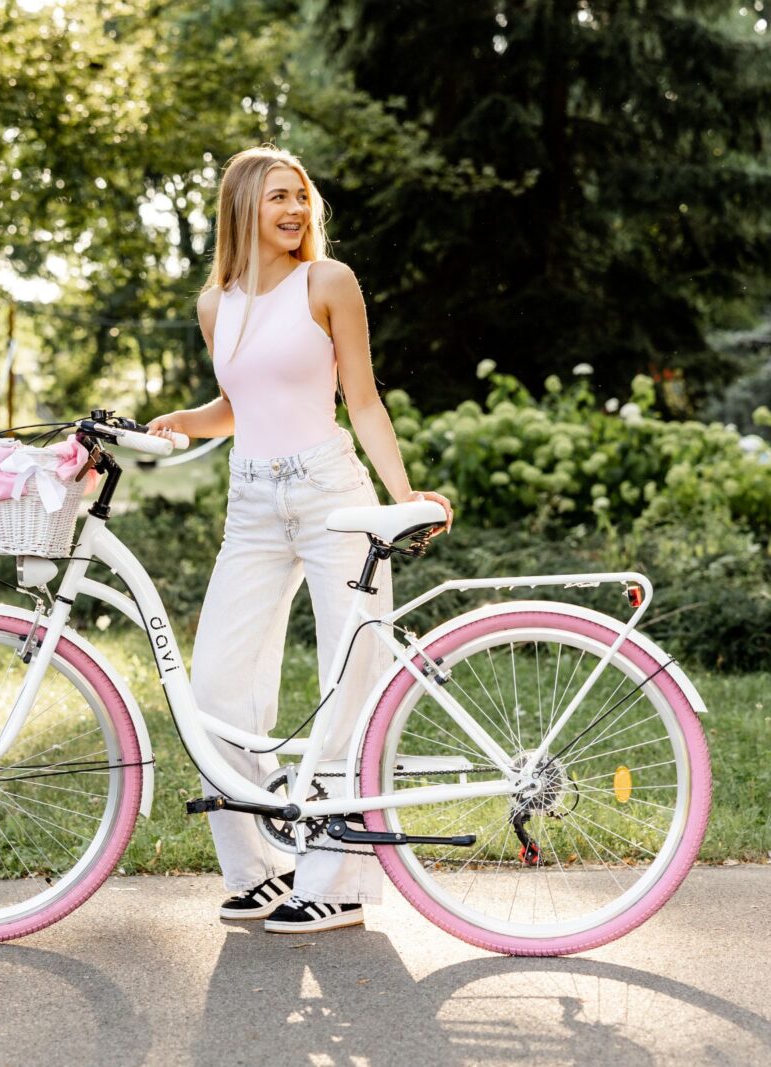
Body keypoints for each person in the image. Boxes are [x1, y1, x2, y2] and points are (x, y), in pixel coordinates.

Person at [146, 145, 454, 934]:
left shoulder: (328, 282)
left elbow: (363, 399)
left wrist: (403, 497)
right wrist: (184, 420)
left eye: (300, 196)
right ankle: (259, 871)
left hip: (330, 495)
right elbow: (238, 404)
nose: (294, 209)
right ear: (241, 207)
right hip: (250, 503)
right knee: (216, 688)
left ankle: (336, 883)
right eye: (277, 196)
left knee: (349, 682)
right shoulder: (215, 304)